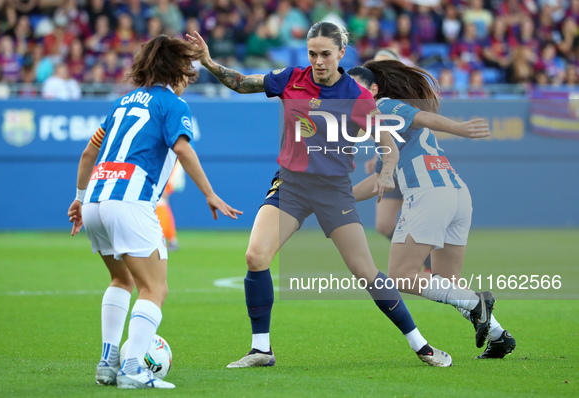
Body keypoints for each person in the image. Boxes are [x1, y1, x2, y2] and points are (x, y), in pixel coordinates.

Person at [187, 22, 453, 368]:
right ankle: (261, 350)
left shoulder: (356, 96)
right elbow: (240, 83)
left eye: (325, 54)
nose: (318, 61)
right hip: (291, 186)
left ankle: (422, 346)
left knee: (366, 271)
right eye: (313, 53)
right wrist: (208, 62)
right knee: (255, 257)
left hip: (333, 192)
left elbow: (387, 144)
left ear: (341, 54)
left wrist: (387, 172)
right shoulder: (292, 78)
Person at [67, 35, 242, 389]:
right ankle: (132, 370)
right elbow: (183, 149)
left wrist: (79, 198)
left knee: (121, 280)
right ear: (177, 69)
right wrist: (209, 193)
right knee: (154, 289)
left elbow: (89, 153)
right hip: (130, 200)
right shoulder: (172, 104)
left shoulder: (121, 103)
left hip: (97, 200)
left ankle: (107, 362)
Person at [352, 60, 516, 359]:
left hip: (428, 194)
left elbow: (422, 117)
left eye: (354, 87)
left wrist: (459, 128)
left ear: (374, 89)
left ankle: (478, 301)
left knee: (401, 275)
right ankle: (498, 335)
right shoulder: (383, 126)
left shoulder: (385, 107)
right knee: (447, 283)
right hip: (456, 194)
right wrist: (342, 198)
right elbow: (379, 178)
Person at [357, 51, 432, 273]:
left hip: (412, 168)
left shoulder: (400, 100)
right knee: (383, 225)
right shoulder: (372, 100)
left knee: (418, 224)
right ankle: (427, 263)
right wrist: (378, 158)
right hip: (391, 170)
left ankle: (429, 265)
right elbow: (385, 137)